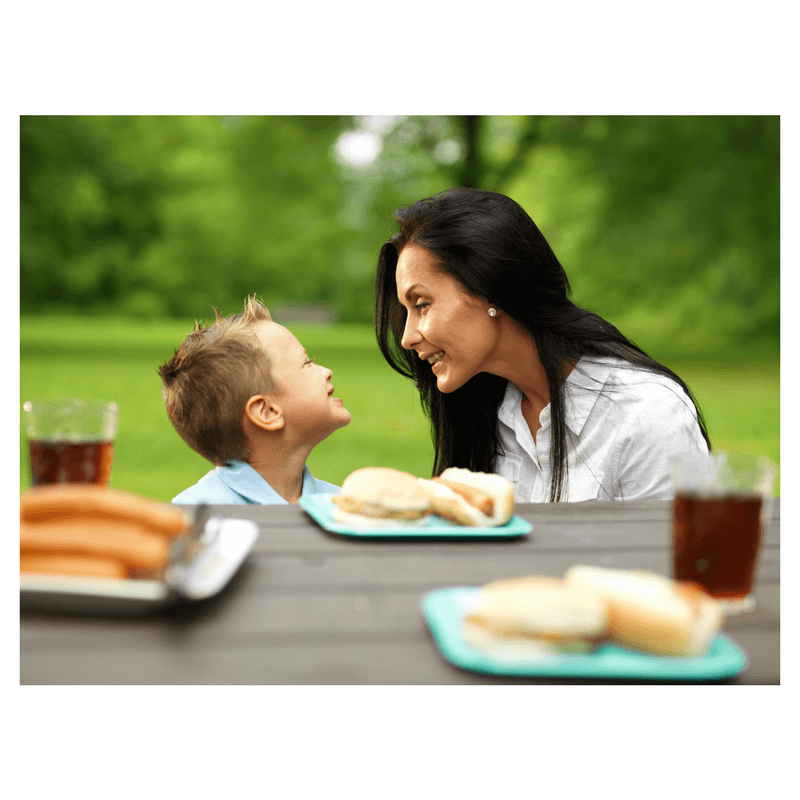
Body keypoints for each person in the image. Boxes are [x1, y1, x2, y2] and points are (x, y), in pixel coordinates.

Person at [375, 187, 710, 502]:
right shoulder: (482, 411)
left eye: (421, 304)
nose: (407, 337)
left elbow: (681, 557)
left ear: (489, 286)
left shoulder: (646, 414)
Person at [158, 296, 351, 504]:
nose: (326, 371)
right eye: (307, 362)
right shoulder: (200, 513)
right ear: (267, 412)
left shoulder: (341, 504)